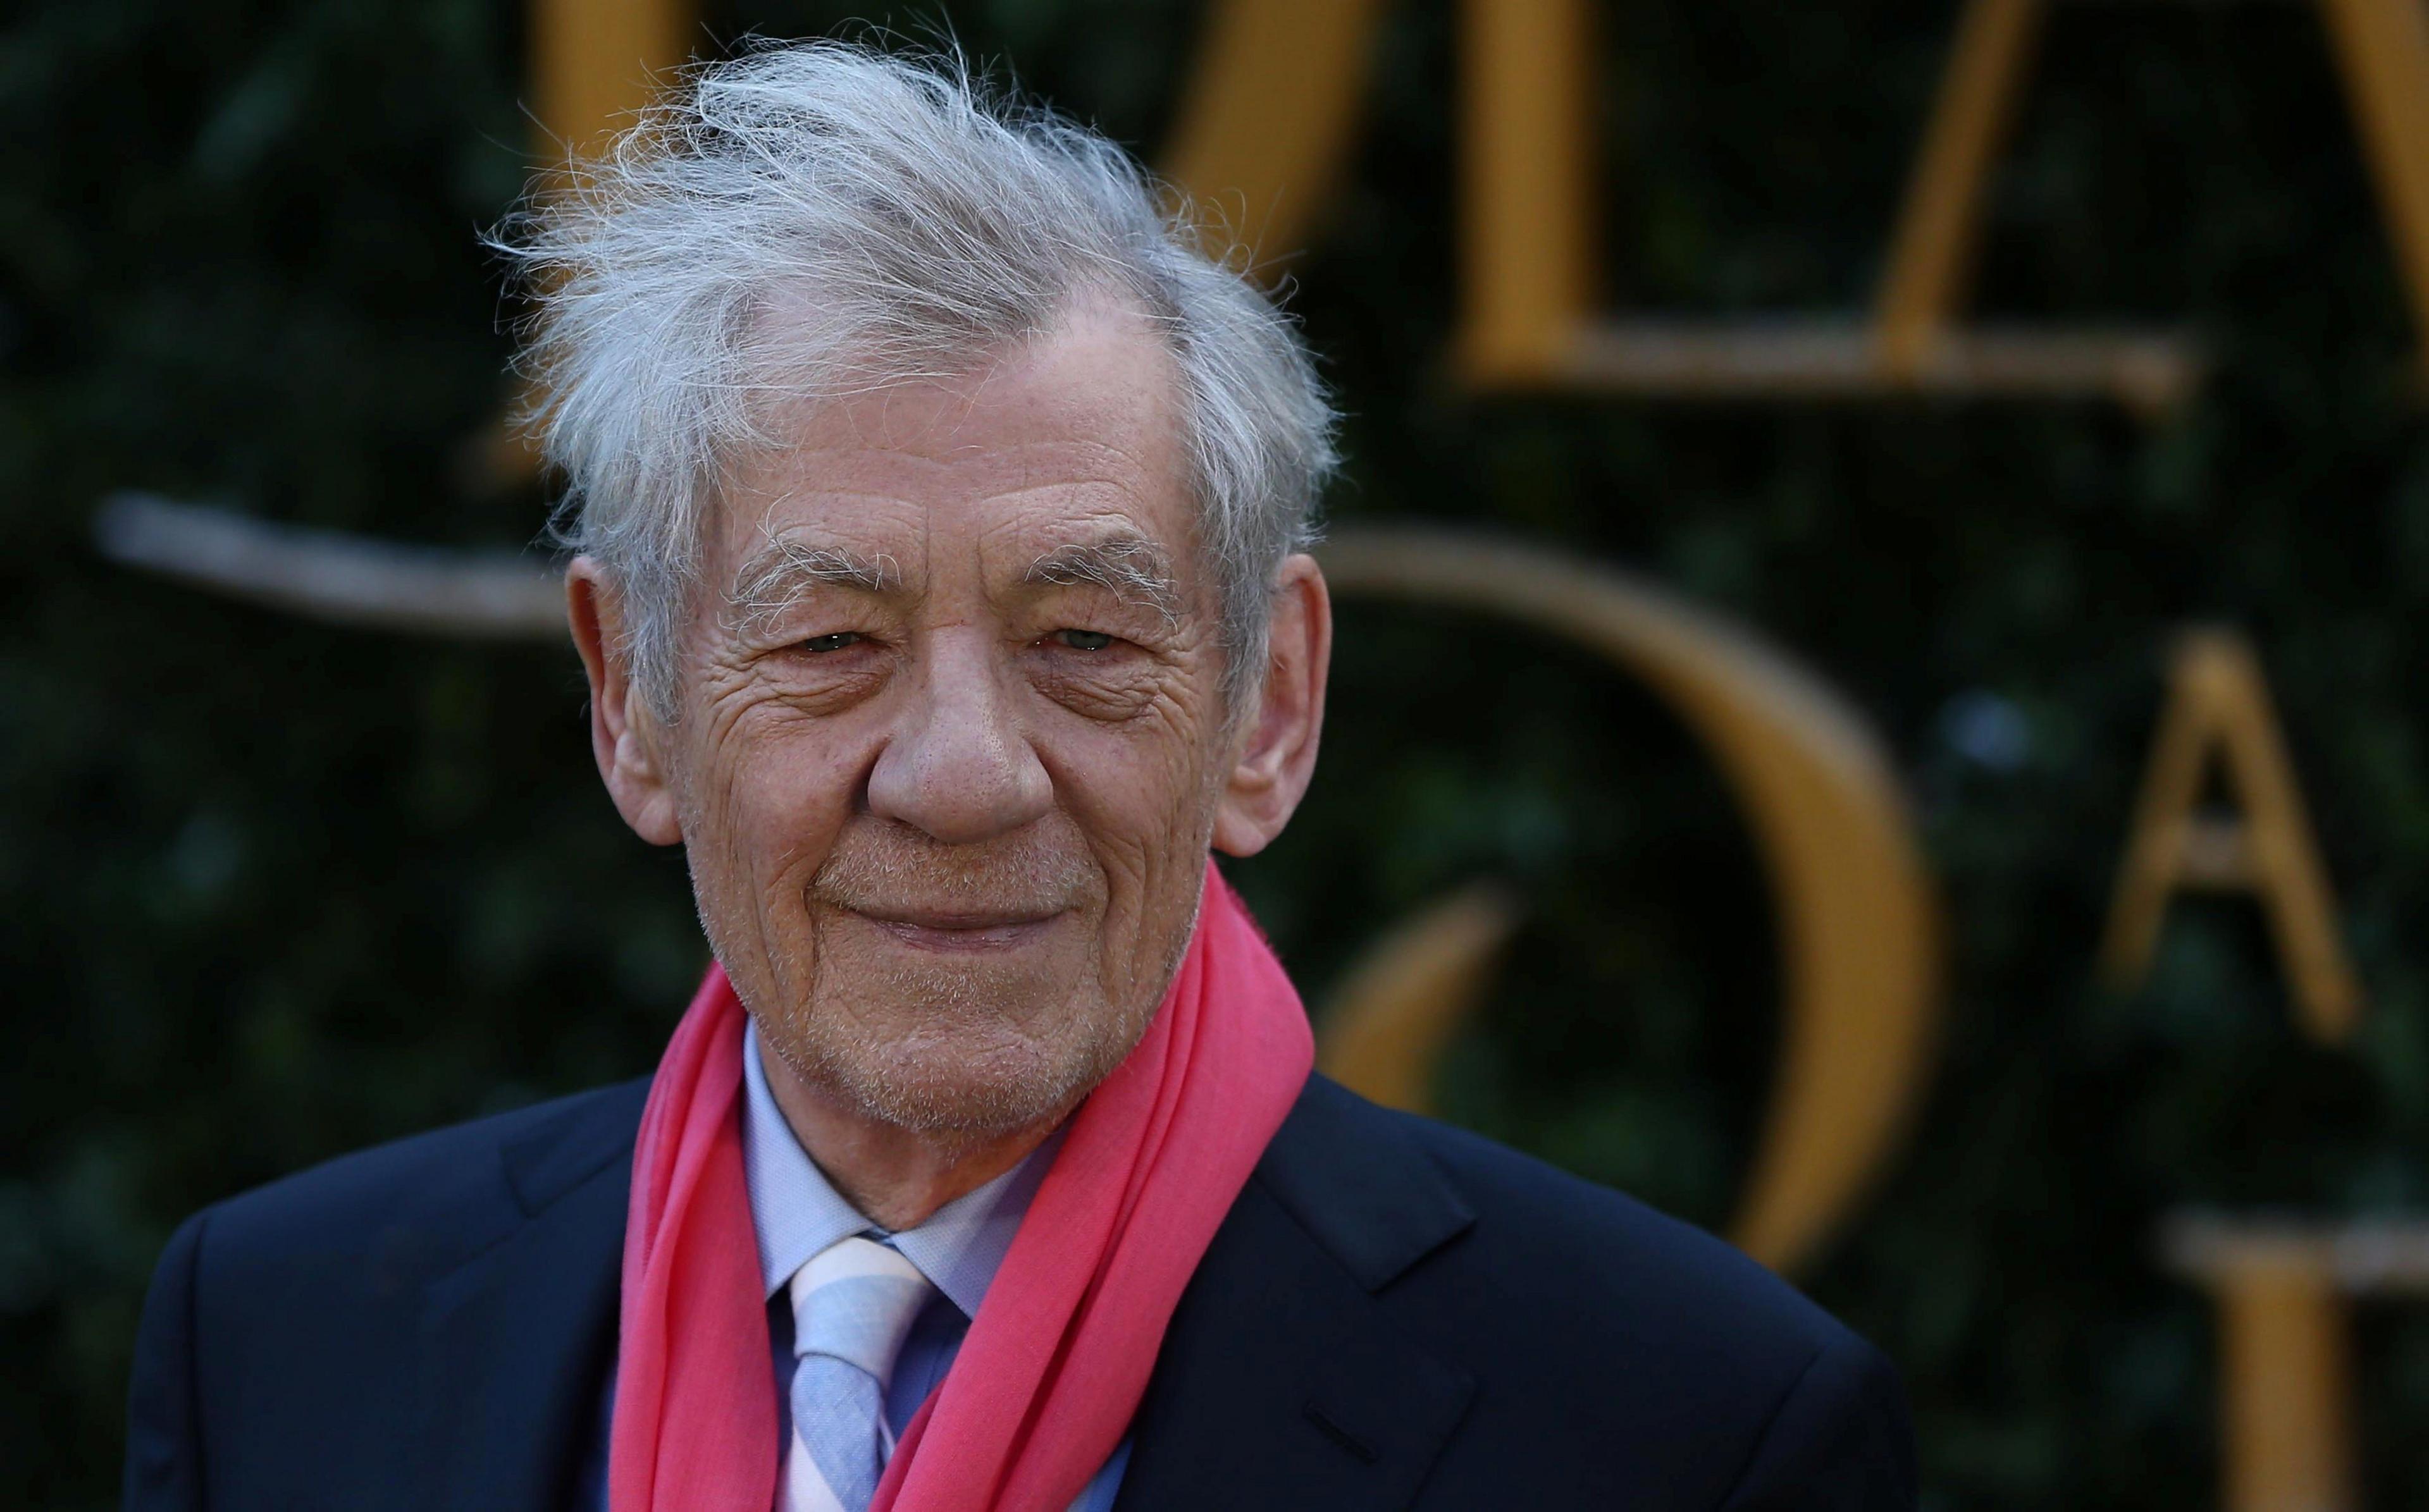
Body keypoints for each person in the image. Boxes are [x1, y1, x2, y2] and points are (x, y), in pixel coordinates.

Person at [121, 42, 1914, 1512]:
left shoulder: (1692, 1437)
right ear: (633, 702)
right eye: (833, 642)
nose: (964, 777)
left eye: (1084, 638)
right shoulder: (280, 1343)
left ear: (1269, 705)